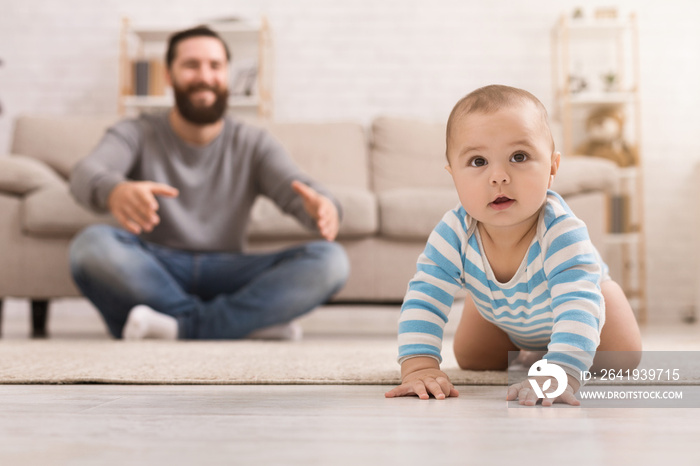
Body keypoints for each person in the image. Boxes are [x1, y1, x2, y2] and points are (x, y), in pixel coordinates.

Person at [68, 26, 349, 341]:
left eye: (215, 66)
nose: (205, 76)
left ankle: (177, 326)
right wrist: (114, 190)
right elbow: (84, 173)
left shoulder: (253, 142)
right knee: (90, 246)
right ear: (170, 77)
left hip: (229, 270)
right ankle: (240, 325)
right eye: (191, 65)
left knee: (331, 261)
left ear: (227, 75)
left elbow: (301, 190)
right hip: (157, 268)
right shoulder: (136, 132)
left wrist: (326, 207)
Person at [384, 85, 641, 406]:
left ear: (552, 168)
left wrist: (560, 373)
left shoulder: (561, 230)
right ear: (453, 176)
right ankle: (527, 342)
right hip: (503, 311)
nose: (499, 176)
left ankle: (555, 353)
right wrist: (418, 366)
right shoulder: (453, 232)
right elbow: (424, 298)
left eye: (519, 157)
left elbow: (577, 302)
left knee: (620, 360)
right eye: (478, 161)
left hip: (584, 306)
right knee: (473, 359)